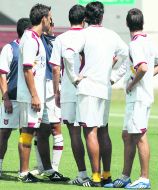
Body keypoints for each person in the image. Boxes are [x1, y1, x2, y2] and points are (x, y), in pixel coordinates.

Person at [62, 1, 129, 186]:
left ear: (85, 18)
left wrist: (74, 77)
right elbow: (126, 54)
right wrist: (114, 76)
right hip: (104, 88)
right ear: (102, 16)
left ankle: (96, 177)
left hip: (88, 87)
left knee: (90, 132)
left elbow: (68, 54)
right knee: (104, 131)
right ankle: (107, 174)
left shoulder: (84, 34)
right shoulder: (112, 34)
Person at [105, 8, 158, 189]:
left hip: (138, 96)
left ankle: (144, 178)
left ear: (126, 23)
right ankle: (125, 176)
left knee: (139, 136)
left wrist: (132, 84)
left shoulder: (135, 44)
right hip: (140, 97)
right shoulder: (146, 41)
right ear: (142, 23)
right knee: (127, 135)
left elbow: (143, 68)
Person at [17, 4, 68, 183]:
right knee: (28, 131)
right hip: (32, 96)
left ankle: (47, 169)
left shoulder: (37, 38)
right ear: (43, 18)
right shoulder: (30, 38)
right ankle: (24, 172)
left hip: (41, 96)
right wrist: (34, 95)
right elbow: (27, 70)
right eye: (50, 17)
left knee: (45, 130)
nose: (51, 20)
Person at [50, 4, 92, 186]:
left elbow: (55, 68)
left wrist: (56, 92)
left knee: (74, 133)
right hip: (89, 88)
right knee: (91, 131)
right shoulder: (89, 35)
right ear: (84, 21)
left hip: (68, 90)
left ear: (69, 19)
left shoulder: (61, 38)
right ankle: (98, 174)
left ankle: (82, 174)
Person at [31, 16, 64, 175]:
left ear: (53, 25)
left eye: (51, 22)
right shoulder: (39, 39)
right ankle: (42, 167)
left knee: (56, 128)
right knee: (39, 130)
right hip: (42, 86)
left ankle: (54, 168)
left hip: (55, 86)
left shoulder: (59, 41)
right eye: (48, 21)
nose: (49, 25)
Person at [0, 18, 32, 178]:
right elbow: (2, 74)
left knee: (25, 133)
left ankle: (23, 170)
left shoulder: (31, 48)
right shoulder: (9, 48)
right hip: (11, 99)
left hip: (26, 100)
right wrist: (5, 98)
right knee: (4, 133)